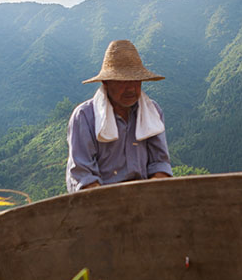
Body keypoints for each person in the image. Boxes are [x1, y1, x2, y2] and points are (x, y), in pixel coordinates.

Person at [66, 40, 172, 192]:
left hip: (143, 197)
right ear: (106, 83)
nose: (131, 89)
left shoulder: (152, 112)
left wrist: (149, 193)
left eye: (136, 81)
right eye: (122, 82)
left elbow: (160, 164)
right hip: (100, 200)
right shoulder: (85, 117)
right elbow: (84, 175)